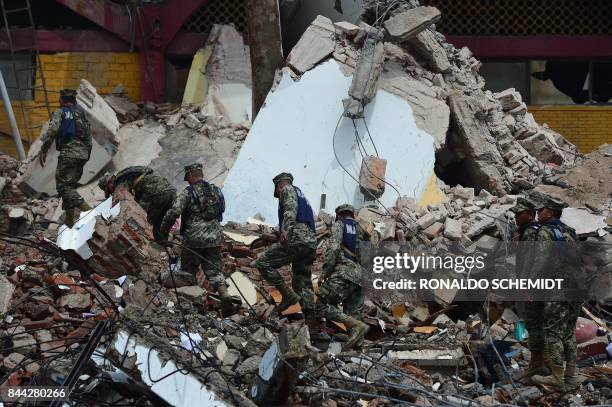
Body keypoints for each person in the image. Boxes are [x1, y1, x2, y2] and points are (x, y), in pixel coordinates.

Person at [159, 163, 233, 315]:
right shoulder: (216, 191)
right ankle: (224, 294)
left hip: (194, 239)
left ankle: (192, 304)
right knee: (213, 270)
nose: (187, 181)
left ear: (191, 175)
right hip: (215, 237)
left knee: (188, 272)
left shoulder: (188, 192)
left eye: (188, 178)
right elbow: (222, 210)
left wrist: (164, 230)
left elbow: (174, 211)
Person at [530, 196, 581, 390]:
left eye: (541, 210)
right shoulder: (569, 231)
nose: (537, 213)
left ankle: (557, 377)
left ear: (550, 211)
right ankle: (571, 376)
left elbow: (540, 261)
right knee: (568, 332)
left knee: (552, 330)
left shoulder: (546, 232)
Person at [254, 173, 317, 318]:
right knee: (302, 282)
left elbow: (290, 210)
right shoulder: (301, 195)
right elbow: (301, 218)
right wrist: (273, 235)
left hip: (297, 238)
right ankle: (312, 325)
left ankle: (287, 295)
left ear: (278, 186)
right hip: (309, 243)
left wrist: (285, 230)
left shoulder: (287, 189)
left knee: (262, 262)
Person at [316, 204, 369, 351]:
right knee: (354, 313)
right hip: (362, 277)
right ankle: (358, 351)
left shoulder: (339, 225)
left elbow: (333, 248)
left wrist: (325, 272)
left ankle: (356, 325)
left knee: (320, 305)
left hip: (345, 272)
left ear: (339, 215)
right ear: (353, 215)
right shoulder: (363, 230)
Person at [38, 89, 92, 227]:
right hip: (83, 153)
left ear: (61, 101)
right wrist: (86, 155)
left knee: (63, 187)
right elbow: (89, 138)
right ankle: (69, 223)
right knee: (70, 186)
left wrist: (44, 149)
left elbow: (53, 130)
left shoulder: (60, 112)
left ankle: (91, 213)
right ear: (75, 101)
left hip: (69, 152)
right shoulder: (81, 114)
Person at [512, 197, 549, 384]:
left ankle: (538, 366)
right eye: (515, 214)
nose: (516, 217)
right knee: (535, 325)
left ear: (530, 214)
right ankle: (542, 364)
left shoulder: (532, 233)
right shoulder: (527, 232)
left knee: (535, 325)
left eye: (520, 214)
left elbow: (531, 262)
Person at [98, 166, 177, 241]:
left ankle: (165, 241)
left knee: (144, 218)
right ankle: (171, 238)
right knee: (159, 219)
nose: (112, 192)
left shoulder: (120, 182)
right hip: (169, 190)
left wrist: (112, 218)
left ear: (110, 182)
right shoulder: (127, 175)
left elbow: (120, 201)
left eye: (109, 190)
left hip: (156, 194)